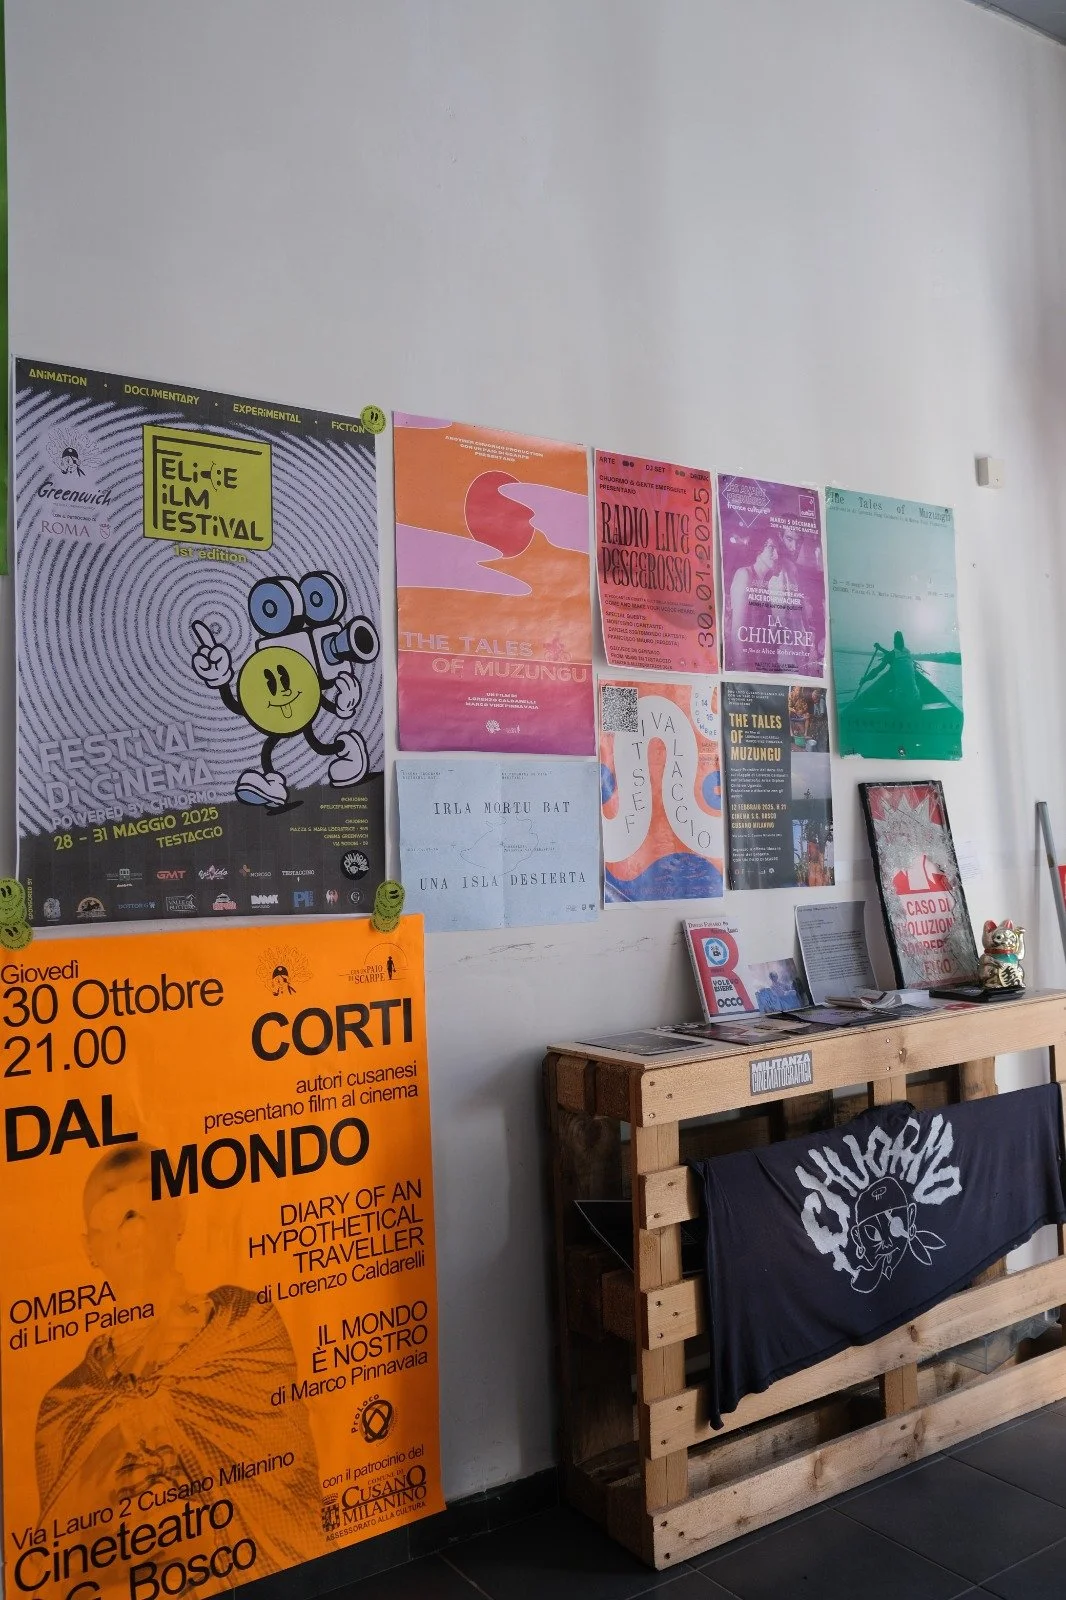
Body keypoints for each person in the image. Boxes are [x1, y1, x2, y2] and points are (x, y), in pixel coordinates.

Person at [34, 1145, 325, 1588]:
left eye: (147, 1201)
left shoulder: (243, 1325)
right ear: (89, 1247)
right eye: (112, 1211)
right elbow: (62, 1560)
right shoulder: (66, 1407)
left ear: (180, 1218)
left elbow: (286, 1487)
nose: (132, 1224)